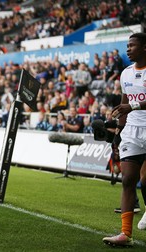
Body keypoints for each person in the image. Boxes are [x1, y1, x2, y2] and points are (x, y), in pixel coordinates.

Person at [103, 33, 146, 247]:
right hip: (132, 131)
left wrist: (134, 106)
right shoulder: (126, 73)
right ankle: (125, 234)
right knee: (128, 179)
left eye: (132, 45)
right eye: (127, 46)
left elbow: (133, 104)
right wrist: (119, 130)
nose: (128, 49)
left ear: (145, 47)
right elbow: (125, 102)